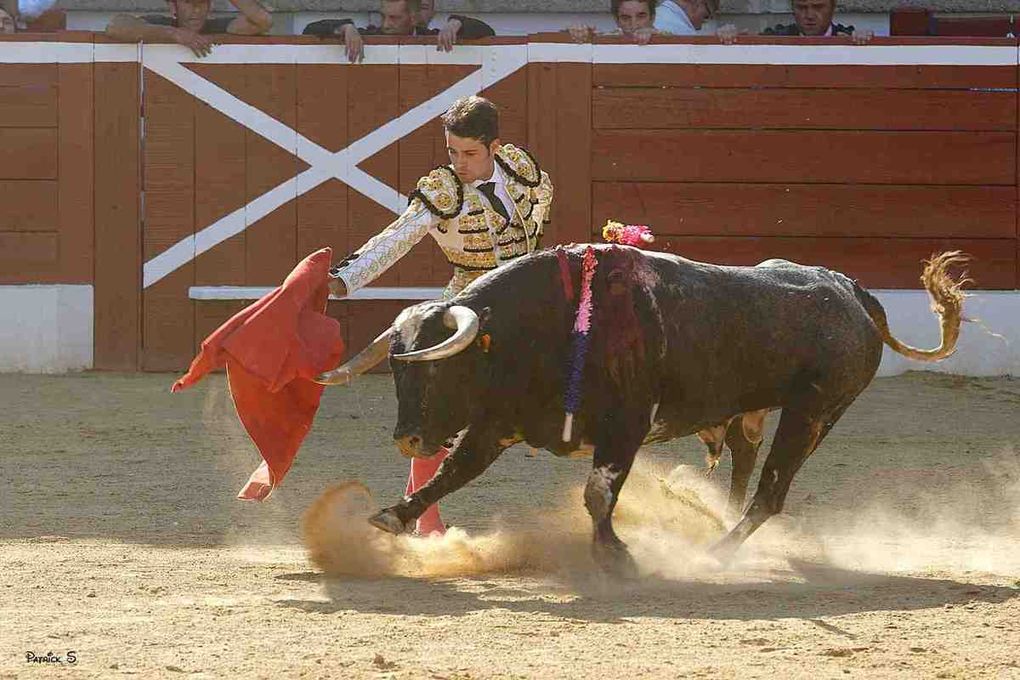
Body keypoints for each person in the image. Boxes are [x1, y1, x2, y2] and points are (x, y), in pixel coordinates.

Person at [327, 96, 551, 536]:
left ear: (494, 147)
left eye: (470, 153)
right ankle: (425, 521)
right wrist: (341, 281)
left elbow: (543, 196)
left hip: (527, 302)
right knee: (441, 417)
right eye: (452, 152)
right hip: (466, 307)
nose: (460, 163)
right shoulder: (442, 192)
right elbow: (396, 239)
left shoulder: (518, 167)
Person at [302, 0, 495, 64]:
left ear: (413, 18)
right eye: (384, 16)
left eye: (394, 18)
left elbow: (487, 31)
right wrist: (345, 26)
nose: (386, 24)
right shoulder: (368, 35)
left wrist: (456, 23)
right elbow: (309, 30)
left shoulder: (429, 37)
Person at [105, 0, 272, 59]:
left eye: (202, 3)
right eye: (188, 3)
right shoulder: (161, 24)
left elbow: (262, 21)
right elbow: (116, 26)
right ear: (173, 7)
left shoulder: (217, 27)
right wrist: (174, 34)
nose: (196, 10)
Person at [568, 0, 658, 45]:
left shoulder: (666, 36)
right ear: (617, 20)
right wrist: (578, 32)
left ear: (652, 18)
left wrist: (655, 36)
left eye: (641, 16)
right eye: (625, 18)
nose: (634, 24)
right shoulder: (607, 37)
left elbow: (669, 35)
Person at [763, 0, 855, 37]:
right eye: (801, 7)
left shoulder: (851, 39)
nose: (809, 16)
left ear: (833, 7)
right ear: (792, 8)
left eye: (818, 7)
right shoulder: (774, 39)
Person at [654, 0, 718, 35]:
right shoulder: (683, 30)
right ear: (697, 2)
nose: (710, 18)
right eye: (706, 16)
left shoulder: (657, 14)